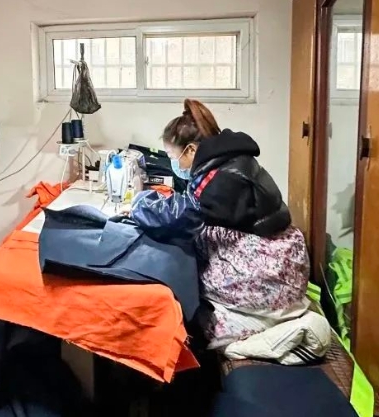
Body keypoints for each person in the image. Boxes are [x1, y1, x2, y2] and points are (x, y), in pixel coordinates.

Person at [129, 99, 311, 348]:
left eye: (173, 156)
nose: (174, 163)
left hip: (274, 273)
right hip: (286, 258)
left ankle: (266, 322)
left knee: (188, 282)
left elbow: (179, 216)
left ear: (190, 150)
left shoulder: (218, 178)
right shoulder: (228, 159)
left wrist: (138, 203)